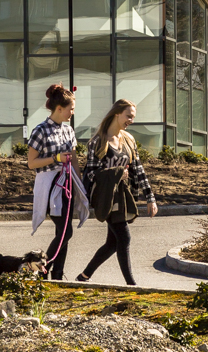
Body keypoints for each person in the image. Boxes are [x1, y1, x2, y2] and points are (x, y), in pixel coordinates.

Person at [76, 99, 158, 286]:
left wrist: (150, 197)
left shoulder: (128, 140)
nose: (131, 120)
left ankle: (84, 276)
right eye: (128, 116)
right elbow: (90, 174)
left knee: (113, 243)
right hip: (107, 198)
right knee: (124, 237)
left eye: (133, 117)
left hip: (123, 197)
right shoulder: (98, 141)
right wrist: (116, 173)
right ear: (116, 114)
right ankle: (131, 284)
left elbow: (138, 169)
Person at [27, 83, 87, 279]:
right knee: (65, 232)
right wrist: (55, 159)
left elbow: (75, 159)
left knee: (64, 231)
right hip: (50, 184)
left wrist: (80, 182)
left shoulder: (68, 131)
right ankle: (42, 270)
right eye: (70, 109)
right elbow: (31, 163)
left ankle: (57, 275)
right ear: (59, 108)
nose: (72, 113)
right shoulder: (40, 130)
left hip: (67, 183)